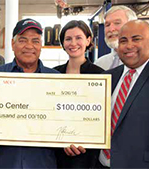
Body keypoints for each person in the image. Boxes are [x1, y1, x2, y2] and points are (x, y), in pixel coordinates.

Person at [65, 20, 149, 168]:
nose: (129, 45)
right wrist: (72, 138)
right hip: (99, 164)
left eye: (136, 39)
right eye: (123, 41)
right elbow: (90, 119)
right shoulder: (106, 78)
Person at [0, 18, 58, 168]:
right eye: (23, 40)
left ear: (41, 46)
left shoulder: (56, 80)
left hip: (42, 163)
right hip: (2, 162)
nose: (29, 46)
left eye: (35, 41)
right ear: (12, 44)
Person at [53, 20, 104, 168]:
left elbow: (100, 117)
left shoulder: (100, 75)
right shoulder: (53, 74)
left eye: (78, 38)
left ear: (88, 40)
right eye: (68, 39)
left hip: (86, 151)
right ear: (63, 43)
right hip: (57, 148)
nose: (73, 43)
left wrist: (84, 140)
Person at [94, 5, 137, 70]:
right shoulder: (100, 64)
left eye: (117, 23)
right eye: (107, 25)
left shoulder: (145, 62)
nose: (111, 29)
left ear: (133, 26)